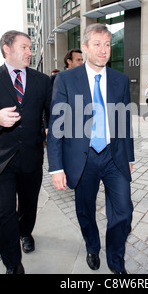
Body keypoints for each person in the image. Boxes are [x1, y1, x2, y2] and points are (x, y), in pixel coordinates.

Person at [47, 23, 134, 274]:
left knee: (124, 212)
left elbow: (124, 122)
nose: (103, 50)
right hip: (81, 159)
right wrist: (56, 167)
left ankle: (116, 260)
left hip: (113, 156)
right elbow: (56, 125)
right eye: (97, 44)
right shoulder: (65, 79)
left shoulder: (120, 80)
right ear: (85, 47)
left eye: (107, 44)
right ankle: (93, 246)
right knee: (85, 210)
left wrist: (129, 156)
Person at [0, 30, 52, 274]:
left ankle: (25, 232)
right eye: (24, 47)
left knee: (28, 204)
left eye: (30, 47)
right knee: (5, 211)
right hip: (0, 158)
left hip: (31, 156)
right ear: (7, 48)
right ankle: (12, 263)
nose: (30, 52)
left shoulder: (42, 80)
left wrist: (49, 128)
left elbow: (51, 111)